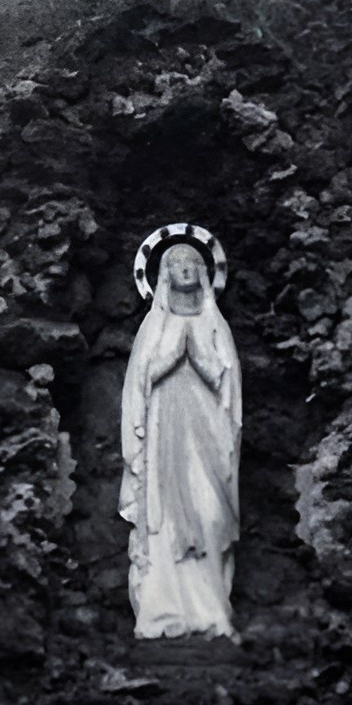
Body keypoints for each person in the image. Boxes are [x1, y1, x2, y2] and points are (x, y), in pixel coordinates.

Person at [120, 232, 243, 642]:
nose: (187, 268)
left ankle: (211, 610)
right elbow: (139, 382)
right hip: (163, 435)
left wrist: (201, 360)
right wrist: (172, 358)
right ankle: (163, 608)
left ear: (206, 272)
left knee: (211, 513)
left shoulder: (214, 324)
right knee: (166, 521)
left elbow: (229, 388)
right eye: (177, 263)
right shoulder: (154, 325)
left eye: (194, 262)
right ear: (163, 273)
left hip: (208, 435)